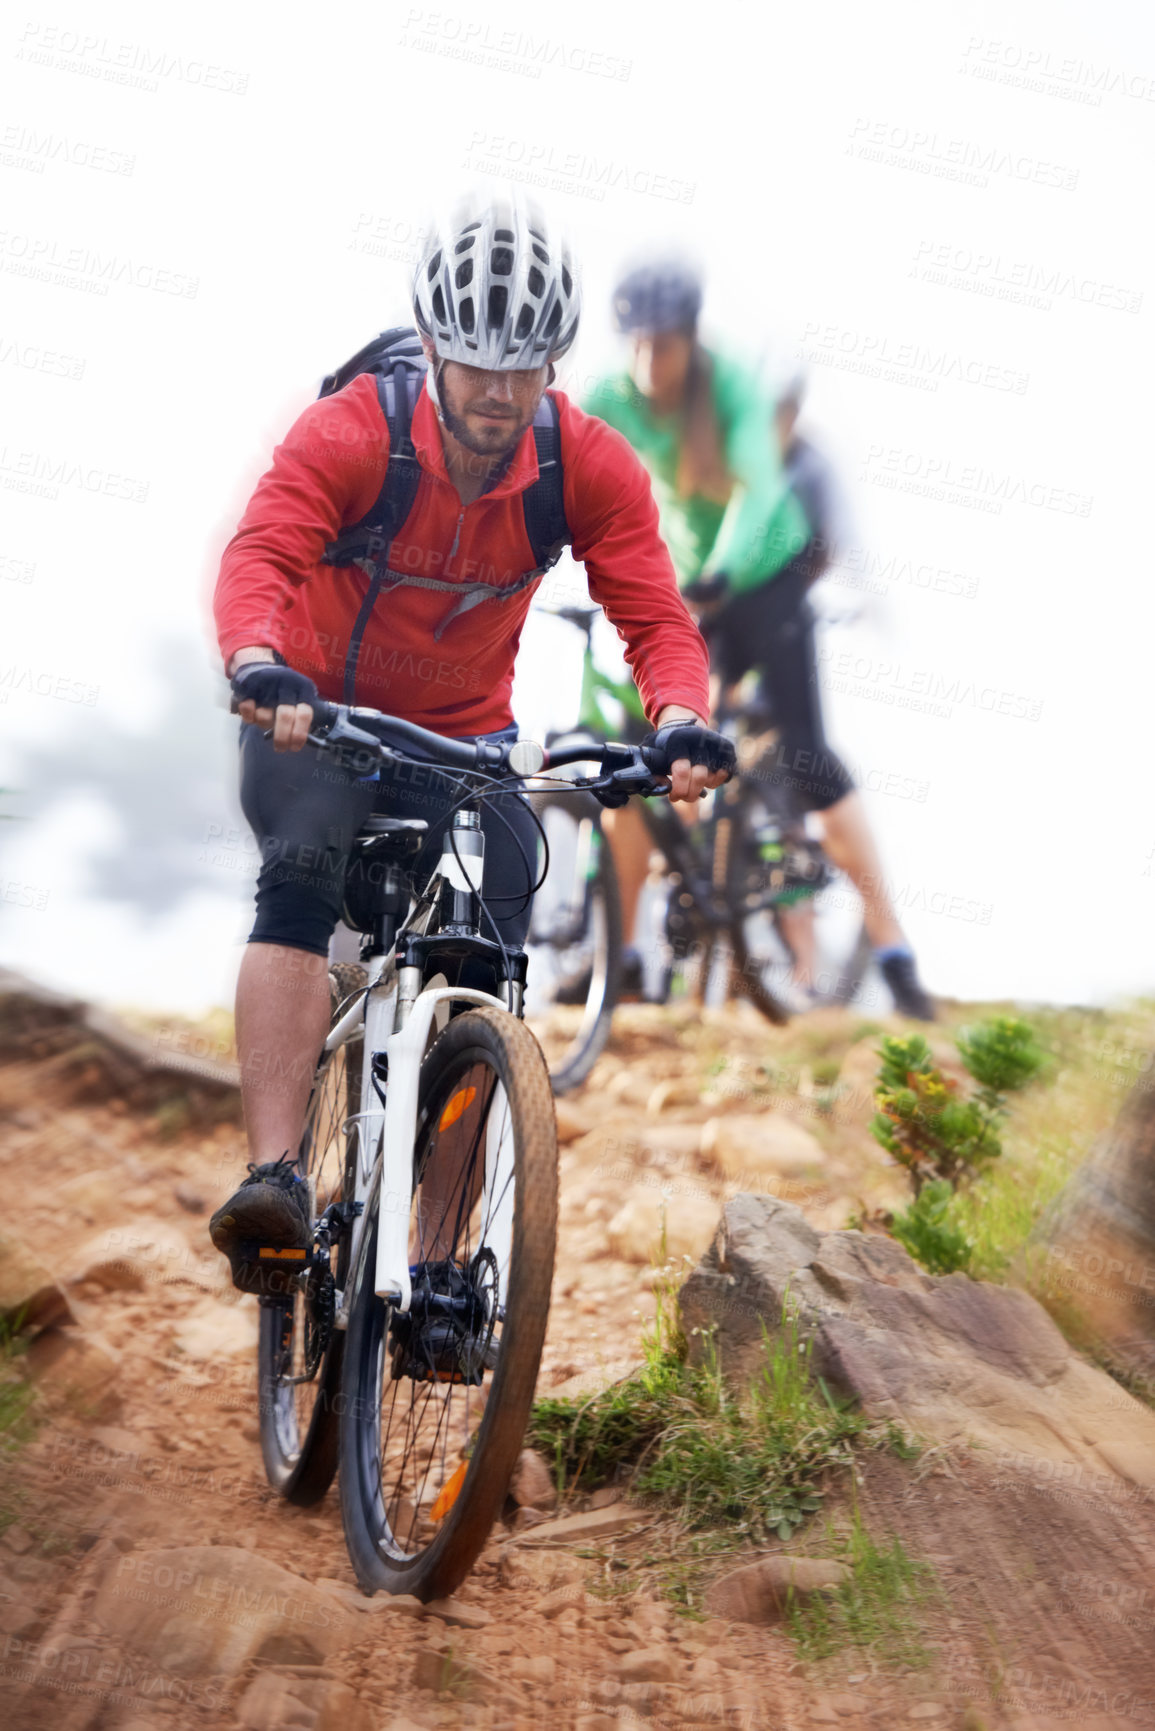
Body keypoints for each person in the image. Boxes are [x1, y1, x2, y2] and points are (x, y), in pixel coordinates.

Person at [207, 201, 735, 1286]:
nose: (499, 393)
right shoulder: (352, 433)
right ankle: (275, 1182)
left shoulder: (582, 463)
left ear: (553, 361)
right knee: (300, 884)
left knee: (490, 976)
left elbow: (655, 616)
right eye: (476, 364)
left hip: (464, 745)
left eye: (525, 367)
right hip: (320, 718)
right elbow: (264, 551)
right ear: (435, 344)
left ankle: (440, 1261)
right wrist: (260, 660)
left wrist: (678, 718)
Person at [583, 259, 934, 1020]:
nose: (649, 364)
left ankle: (893, 946)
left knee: (807, 755)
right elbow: (568, 465)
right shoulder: (608, 397)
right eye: (636, 345)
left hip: (763, 570)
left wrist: (721, 571)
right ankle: (622, 955)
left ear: (689, 339)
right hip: (691, 580)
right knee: (650, 744)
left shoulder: (733, 386)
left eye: (664, 345)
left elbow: (756, 486)